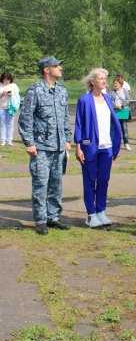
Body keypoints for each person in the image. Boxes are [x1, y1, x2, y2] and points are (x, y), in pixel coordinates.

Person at [18, 56, 71, 235]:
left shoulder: (62, 91)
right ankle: (40, 220)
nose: (60, 69)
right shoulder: (35, 90)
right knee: (41, 184)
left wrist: (67, 139)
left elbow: (64, 117)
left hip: (58, 147)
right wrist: (29, 142)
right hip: (40, 147)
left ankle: (53, 217)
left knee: (56, 184)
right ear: (46, 69)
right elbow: (26, 118)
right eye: (56, 66)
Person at [74, 68, 122, 228]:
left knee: (103, 180)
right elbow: (79, 124)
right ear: (92, 81)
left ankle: (101, 211)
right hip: (89, 146)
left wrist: (115, 145)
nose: (104, 81)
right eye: (100, 78)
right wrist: (78, 147)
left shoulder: (108, 98)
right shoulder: (85, 100)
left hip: (106, 147)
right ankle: (91, 214)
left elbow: (113, 124)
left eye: (105, 78)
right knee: (89, 180)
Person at [110, 76, 131, 150]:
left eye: (116, 83)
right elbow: (110, 101)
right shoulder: (112, 92)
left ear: (120, 84)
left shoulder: (125, 91)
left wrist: (121, 104)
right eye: (114, 83)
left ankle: (126, 143)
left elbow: (128, 100)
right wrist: (115, 105)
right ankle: (114, 143)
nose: (114, 84)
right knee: (114, 128)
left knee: (124, 128)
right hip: (115, 111)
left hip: (123, 111)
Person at [0, 71, 20, 146]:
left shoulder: (14, 85)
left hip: (11, 107)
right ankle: (2, 140)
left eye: (8, 79)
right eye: (5, 79)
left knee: (10, 124)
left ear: (10, 79)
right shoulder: (0, 85)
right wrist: (2, 94)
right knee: (2, 124)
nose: (6, 81)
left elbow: (17, 95)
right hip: (1, 107)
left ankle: (9, 140)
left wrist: (11, 94)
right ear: (2, 79)